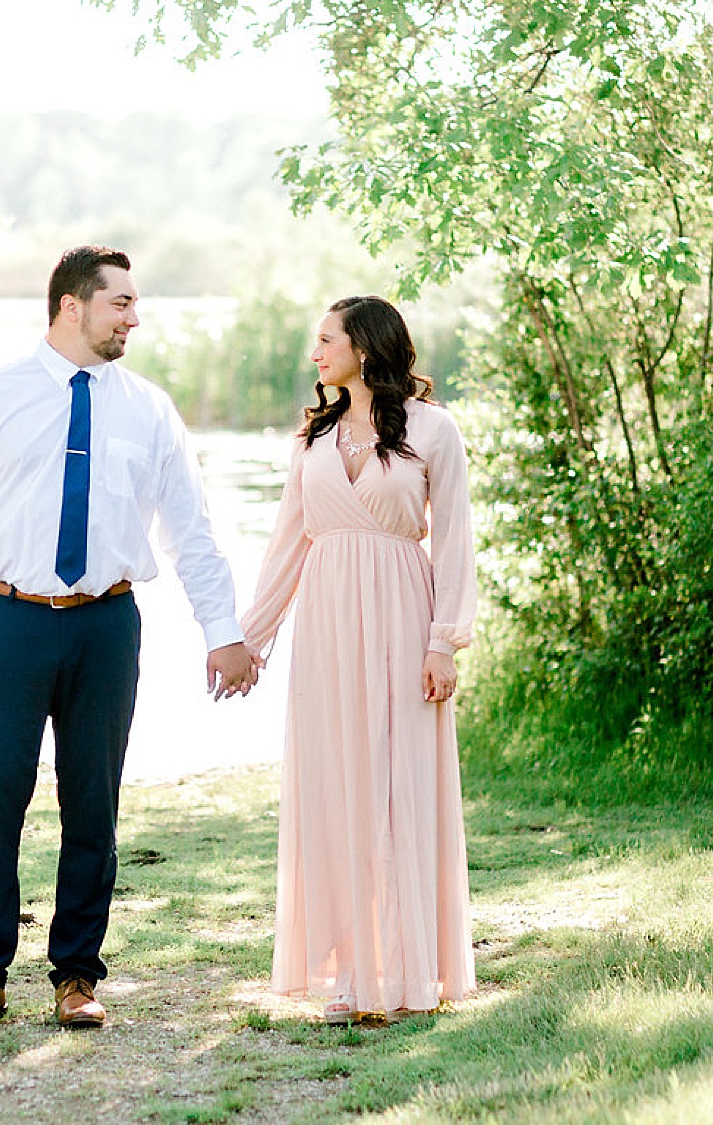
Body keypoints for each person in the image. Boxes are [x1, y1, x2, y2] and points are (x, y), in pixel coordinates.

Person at [0, 246, 260, 1030]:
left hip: (107, 622)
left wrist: (224, 630)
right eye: (122, 303)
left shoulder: (149, 408)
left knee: (93, 803)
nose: (135, 318)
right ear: (73, 305)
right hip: (5, 619)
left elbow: (193, 533)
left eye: (135, 305)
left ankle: (76, 975)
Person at [240, 295, 477, 1023]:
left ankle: (408, 969)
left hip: (405, 616)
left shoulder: (434, 430)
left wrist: (444, 641)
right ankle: (354, 972)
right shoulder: (314, 437)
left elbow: (456, 543)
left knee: (400, 784)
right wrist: (248, 641)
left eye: (326, 339)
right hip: (328, 625)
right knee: (339, 783)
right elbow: (287, 543)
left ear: (366, 347)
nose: (315, 353)